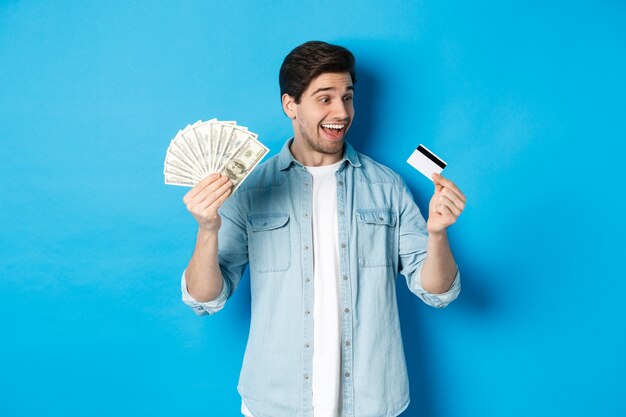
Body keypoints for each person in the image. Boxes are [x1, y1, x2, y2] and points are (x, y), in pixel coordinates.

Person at [180, 40, 466, 417]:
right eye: (325, 98)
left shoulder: (388, 187)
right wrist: (206, 228)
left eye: (348, 97)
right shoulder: (250, 190)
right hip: (276, 403)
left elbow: (438, 292)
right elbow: (205, 300)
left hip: (371, 400)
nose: (342, 112)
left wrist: (438, 234)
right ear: (290, 105)